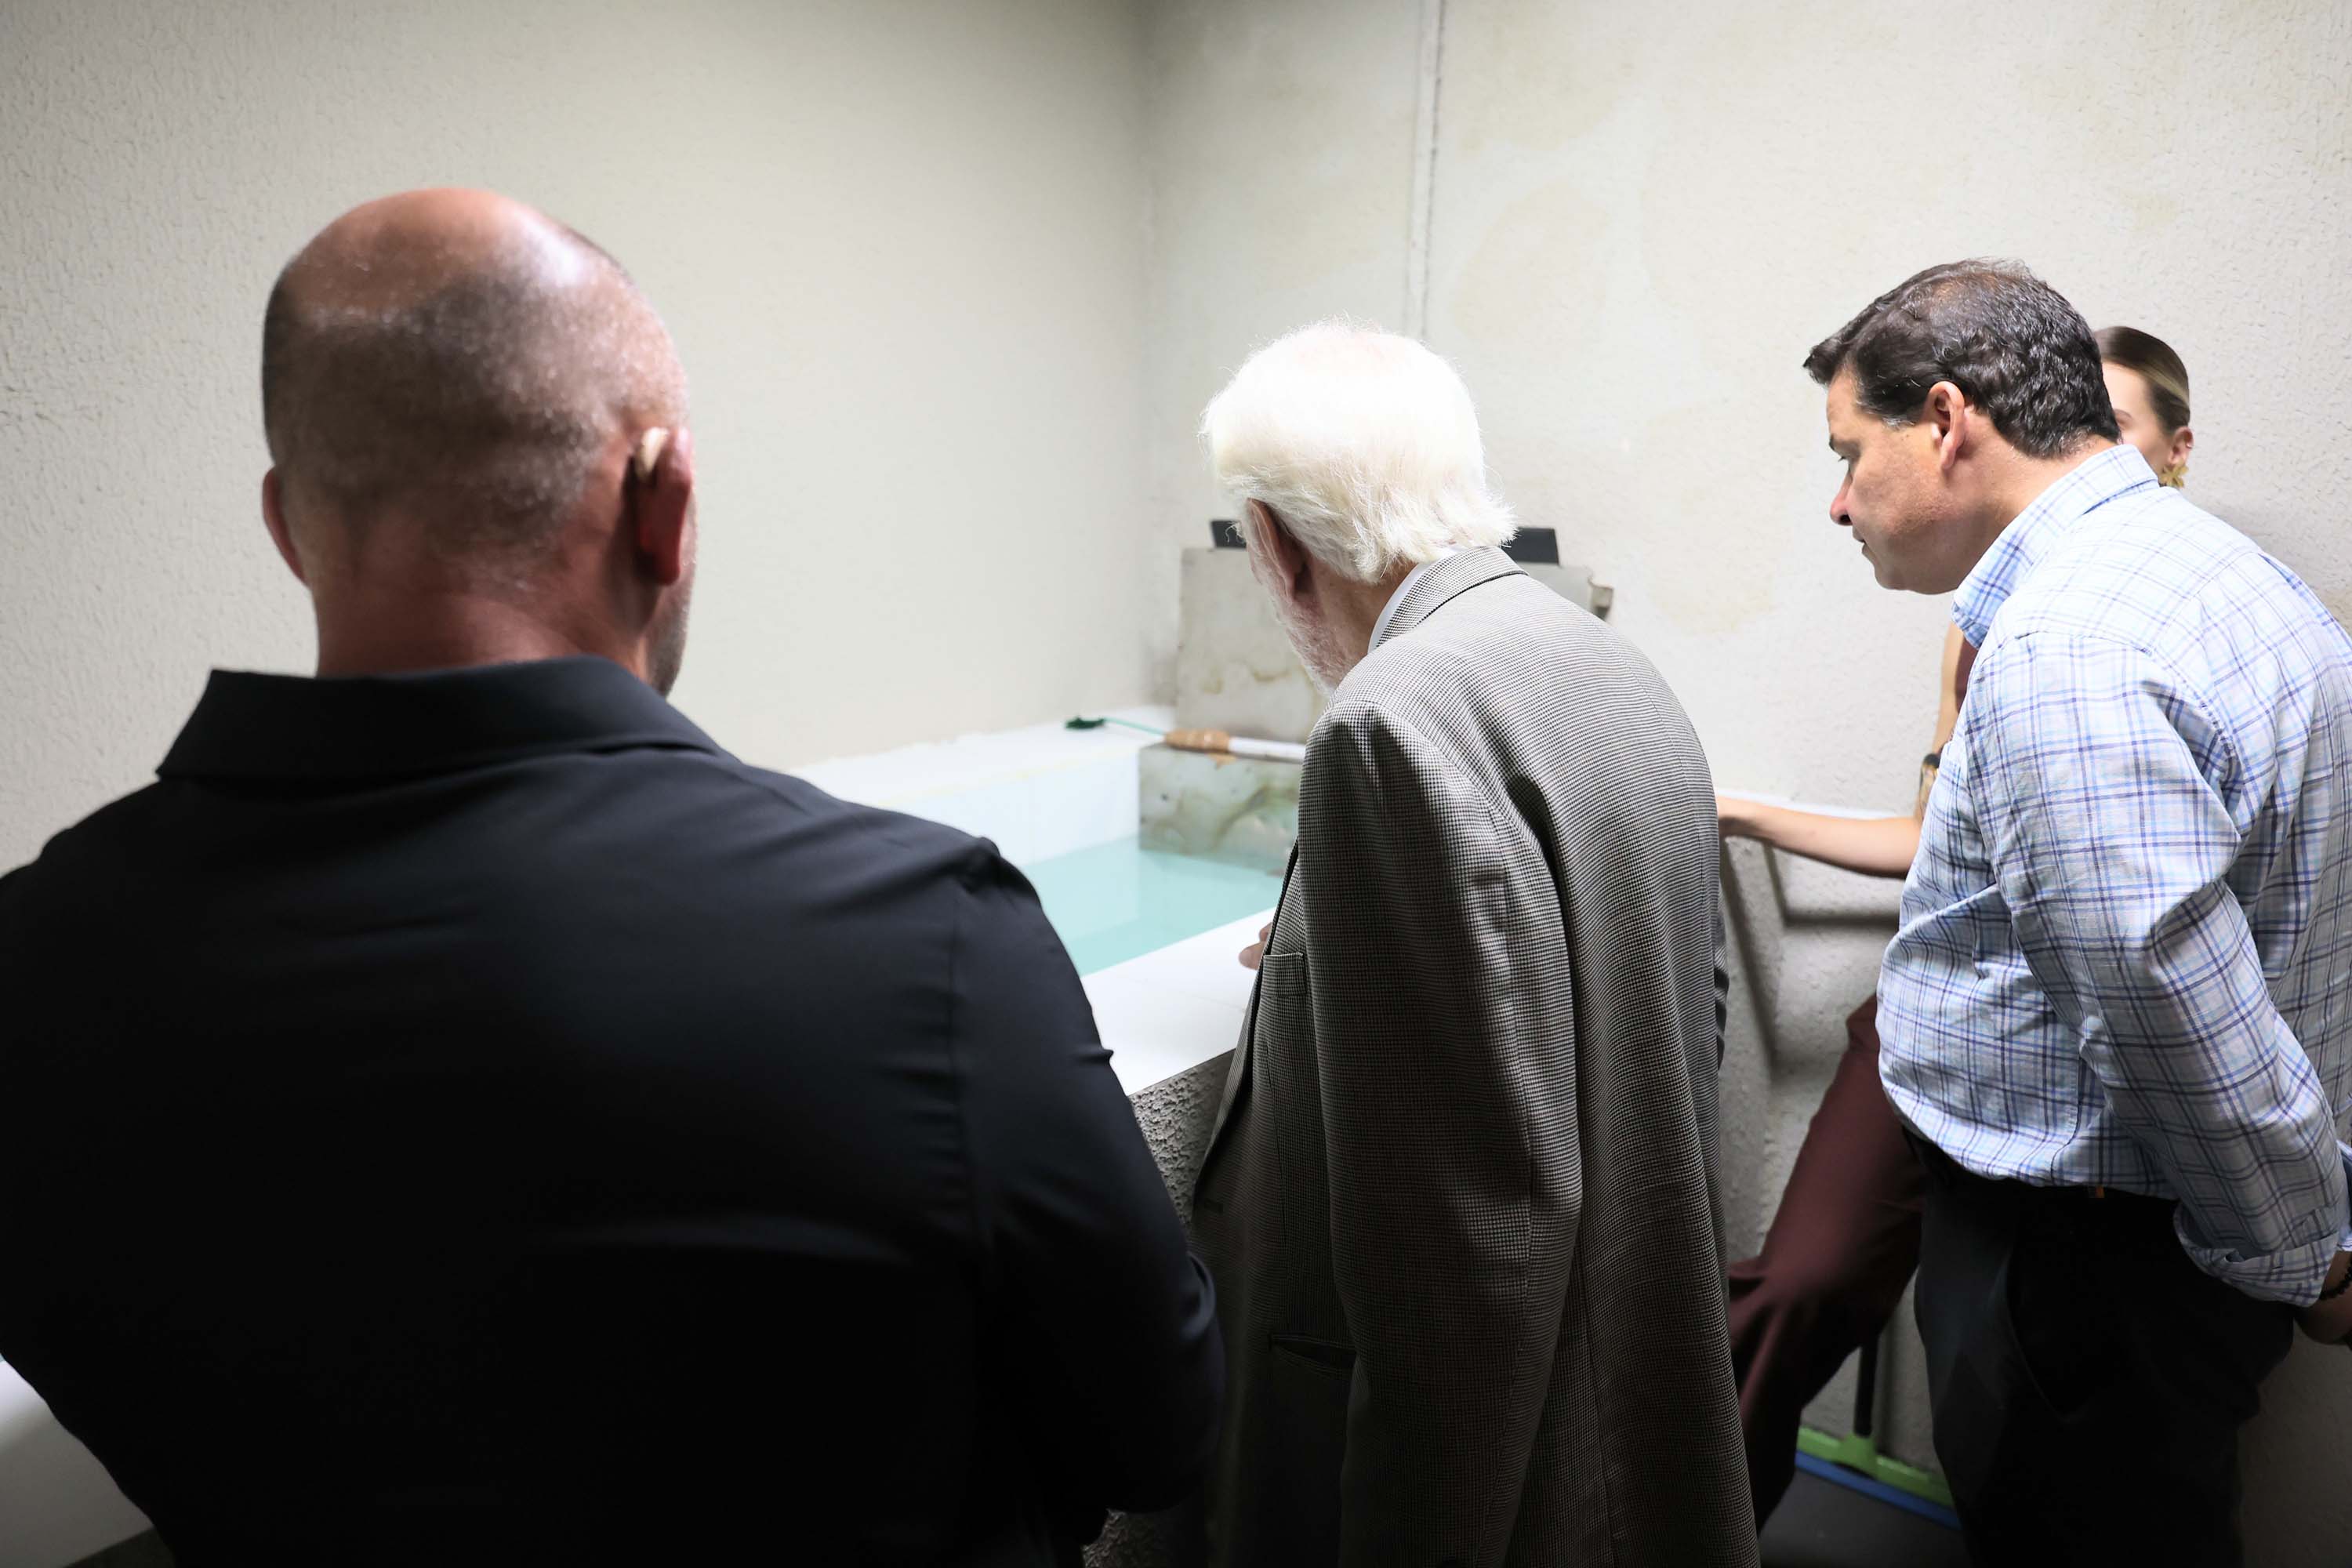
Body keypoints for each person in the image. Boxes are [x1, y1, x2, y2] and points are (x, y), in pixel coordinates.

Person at [0, 189, 1221, 1566]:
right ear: (665, 504)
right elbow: (1155, 1431)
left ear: (288, 526)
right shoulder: (926, 939)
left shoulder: (34, 963)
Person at [1802, 260, 2352, 1564]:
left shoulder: (2069, 650)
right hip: (2139, 1249)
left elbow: (2175, 1020)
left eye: (1848, 453)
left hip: (2088, 1269)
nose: (1839, 502)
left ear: (1947, 422)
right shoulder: (2206, 569)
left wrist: (2316, 1259)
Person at [1189, 322, 1755, 1566]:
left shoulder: (1389, 721)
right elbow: (1657, 998)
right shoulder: (1605, 663)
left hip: (1494, 1471)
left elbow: (1468, 1236)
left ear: (1276, 545)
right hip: (1632, 1379)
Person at [1718, 326, 2208, 1528]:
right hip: (1931, 1010)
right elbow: (1933, 839)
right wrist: (1738, 810)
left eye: (2122, 429)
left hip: (2082, 1068)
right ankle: (1685, 1519)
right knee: (1801, 1283)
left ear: (2173, 452)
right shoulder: (1987, 617)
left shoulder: (2193, 617)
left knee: (2053, 1395)